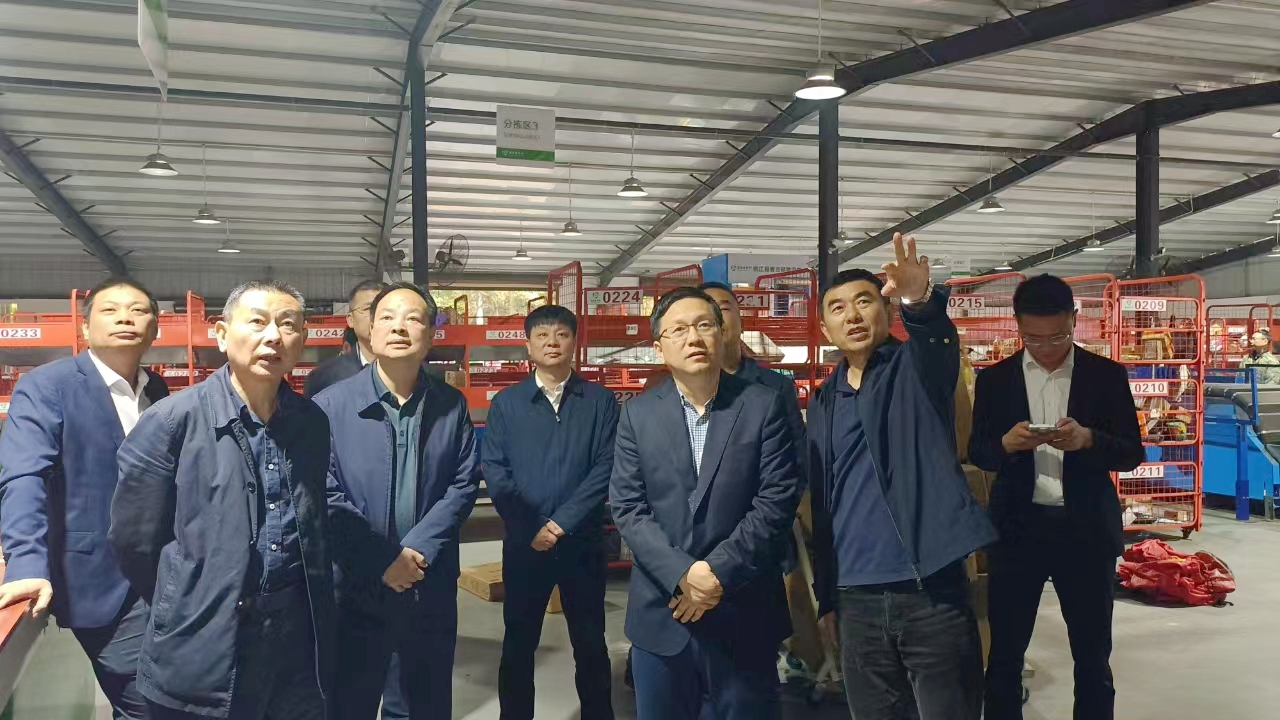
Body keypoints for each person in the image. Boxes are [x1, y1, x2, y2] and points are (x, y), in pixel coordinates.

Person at [110, 281, 337, 719]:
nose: (273, 336)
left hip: (296, 641)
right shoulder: (171, 422)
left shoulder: (311, 422)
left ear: (302, 340)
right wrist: (189, 595)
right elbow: (133, 542)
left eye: (288, 325)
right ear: (220, 333)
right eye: (257, 322)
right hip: (204, 636)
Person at [806, 234, 997, 720]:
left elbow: (935, 338)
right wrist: (827, 598)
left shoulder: (915, 370)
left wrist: (919, 299)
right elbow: (825, 505)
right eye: (837, 308)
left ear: (886, 310)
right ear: (824, 327)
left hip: (928, 591)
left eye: (864, 301)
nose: (852, 315)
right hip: (856, 601)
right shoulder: (824, 401)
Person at [610, 286, 803, 720]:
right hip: (662, 614)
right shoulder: (638, 415)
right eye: (678, 330)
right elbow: (628, 507)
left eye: (703, 325)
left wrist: (716, 574)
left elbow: (776, 499)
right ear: (659, 347)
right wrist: (683, 573)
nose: (693, 337)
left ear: (723, 333)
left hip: (744, 611)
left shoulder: (763, 405)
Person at [969, 273, 1143, 720]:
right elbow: (978, 452)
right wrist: (1006, 445)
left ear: (1074, 319)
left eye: (1057, 337)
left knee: (1092, 657)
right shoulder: (995, 380)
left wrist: (1089, 439)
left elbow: (1131, 453)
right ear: (1017, 325)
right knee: (1004, 656)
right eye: (1033, 338)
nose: (1046, 348)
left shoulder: (1105, 376)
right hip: (1017, 533)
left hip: (1085, 532)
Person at [0, 278, 168, 720]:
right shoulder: (47, 386)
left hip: (161, 575)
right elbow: (24, 475)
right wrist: (26, 564)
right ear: (85, 328)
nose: (125, 318)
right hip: (96, 577)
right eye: (110, 310)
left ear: (155, 329)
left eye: (138, 311)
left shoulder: (156, 390)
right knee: (147, 703)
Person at [313, 282, 481, 720]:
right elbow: (324, 492)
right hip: (357, 586)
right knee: (349, 704)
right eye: (386, 317)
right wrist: (382, 559)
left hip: (429, 583)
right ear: (369, 329)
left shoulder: (451, 405)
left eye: (412, 318)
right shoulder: (330, 406)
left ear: (431, 334)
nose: (399, 327)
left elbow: (463, 485)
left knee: (424, 704)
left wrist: (416, 552)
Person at [484, 304, 618, 720]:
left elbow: (606, 467)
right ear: (528, 346)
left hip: (582, 544)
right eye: (542, 335)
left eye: (561, 334)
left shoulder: (600, 401)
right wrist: (531, 527)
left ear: (574, 342)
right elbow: (496, 471)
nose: (552, 343)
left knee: (590, 643)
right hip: (526, 545)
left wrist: (561, 524)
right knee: (518, 642)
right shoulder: (507, 404)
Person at [304, 279, 384, 398]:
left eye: (384, 309)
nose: (377, 315)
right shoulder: (323, 377)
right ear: (351, 320)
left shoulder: (413, 371)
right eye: (368, 309)